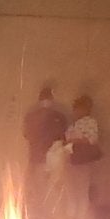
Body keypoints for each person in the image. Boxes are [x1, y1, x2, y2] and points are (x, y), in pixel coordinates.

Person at [22, 83, 69, 212]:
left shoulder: (32, 116)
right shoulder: (59, 116)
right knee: (50, 188)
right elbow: (64, 138)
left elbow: (26, 135)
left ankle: (43, 215)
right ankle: (48, 215)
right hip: (50, 159)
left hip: (43, 158)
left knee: (41, 189)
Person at [64, 94, 102, 219]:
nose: (75, 112)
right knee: (72, 191)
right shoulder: (75, 123)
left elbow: (91, 140)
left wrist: (75, 141)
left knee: (81, 190)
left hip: (83, 161)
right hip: (72, 161)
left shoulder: (90, 122)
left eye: (77, 109)